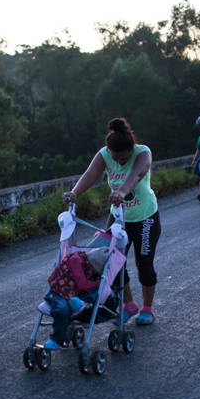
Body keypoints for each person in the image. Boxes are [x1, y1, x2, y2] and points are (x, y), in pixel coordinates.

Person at [63, 117, 161, 325]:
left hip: (145, 218)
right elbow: (90, 175)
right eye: (115, 159)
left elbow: (137, 174)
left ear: (130, 149)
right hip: (119, 218)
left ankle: (147, 308)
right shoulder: (105, 154)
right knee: (110, 262)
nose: (118, 162)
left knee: (144, 264)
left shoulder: (142, 152)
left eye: (123, 159)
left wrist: (122, 191)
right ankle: (128, 304)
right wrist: (74, 193)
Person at [44, 247, 108, 350]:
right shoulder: (76, 260)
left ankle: (77, 304)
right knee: (62, 310)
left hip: (72, 292)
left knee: (86, 298)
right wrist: (99, 283)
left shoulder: (86, 264)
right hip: (59, 291)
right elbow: (83, 284)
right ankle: (56, 339)